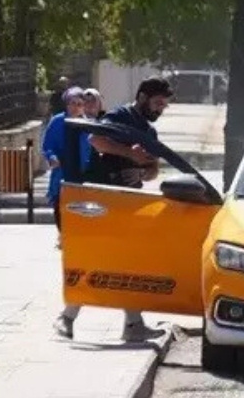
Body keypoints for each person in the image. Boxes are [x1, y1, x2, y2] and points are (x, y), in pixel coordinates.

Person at [53, 77, 170, 342]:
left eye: (163, 105)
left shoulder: (149, 132)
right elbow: (97, 140)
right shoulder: (121, 116)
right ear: (142, 97)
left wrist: (141, 168)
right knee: (97, 260)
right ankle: (67, 317)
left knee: (127, 263)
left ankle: (133, 324)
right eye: (157, 103)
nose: (160, 109)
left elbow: (152, 170)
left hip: (128, 202)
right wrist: (131, 154)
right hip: (102, 201)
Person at [42, 87, 89, 242]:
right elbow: (48, 144)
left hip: (82, 171)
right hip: (62, 168)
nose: (75, 107)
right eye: (72, 103)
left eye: (79, 104)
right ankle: (63, 233)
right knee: (59, 202)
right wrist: (52, 157)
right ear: (67, 105)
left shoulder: (88, 124)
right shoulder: (57, 121)